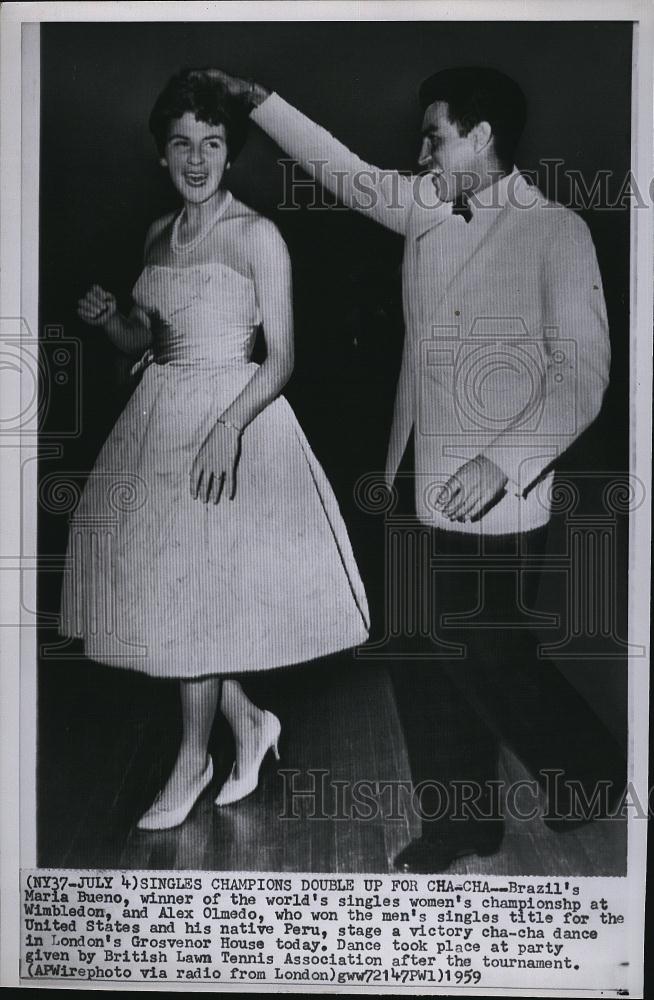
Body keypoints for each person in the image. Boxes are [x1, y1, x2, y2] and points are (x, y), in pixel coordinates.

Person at [209, 65, 626, 871]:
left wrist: (505, 461)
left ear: (480, 137)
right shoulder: (426, 207)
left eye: (433, 135)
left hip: (500, 491)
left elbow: (582, 374)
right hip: (413, 471)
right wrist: (260, 103)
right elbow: (342, 170)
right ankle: (461, 822)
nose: (421, 151)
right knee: (414, 649)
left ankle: (591, 773)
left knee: (489, 652)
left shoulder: (557, 231)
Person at [59, 69, 369, 831]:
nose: (197, 160)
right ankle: (252, 725)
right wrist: (112, 323)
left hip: (234, 422)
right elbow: (147, 340)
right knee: (165, 593)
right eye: (181, 145)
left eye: (213, 144)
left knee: (192, 598)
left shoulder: (258, 234)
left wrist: (227, 429)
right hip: (159, 418)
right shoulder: (157, 235)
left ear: (231, 154)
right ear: (162, 156)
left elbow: (285, 358)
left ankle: (192, 761)